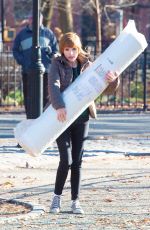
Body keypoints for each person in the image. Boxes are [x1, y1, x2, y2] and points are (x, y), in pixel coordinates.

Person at [48, 32, 119, 214]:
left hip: (82, 118)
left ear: (78, 49)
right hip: (61, 118)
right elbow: (53, 86)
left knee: (77, 161)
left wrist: (113, 80)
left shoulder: (87, 64)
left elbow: (105, 87)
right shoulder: (57, 63)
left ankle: (75, 201)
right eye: (67, 49)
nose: (70, 53)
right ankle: (56, 198)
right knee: (66, 160)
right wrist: (60, 106)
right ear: (62, 50)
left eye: (73, 49)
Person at [12, 13, 58, 118]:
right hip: (28, 71)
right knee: (29, 96)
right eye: (32, 18)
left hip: (46, 71)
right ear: (28, 20)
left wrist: (51, 56)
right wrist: (23, 61)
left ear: (41, 19)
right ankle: (30, 118)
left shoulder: (48, 33)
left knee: (45, 97)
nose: (35, 20)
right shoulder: (22, 34)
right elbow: (15, 50)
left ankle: (43, 119)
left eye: (38, 18)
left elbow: (55, 50)